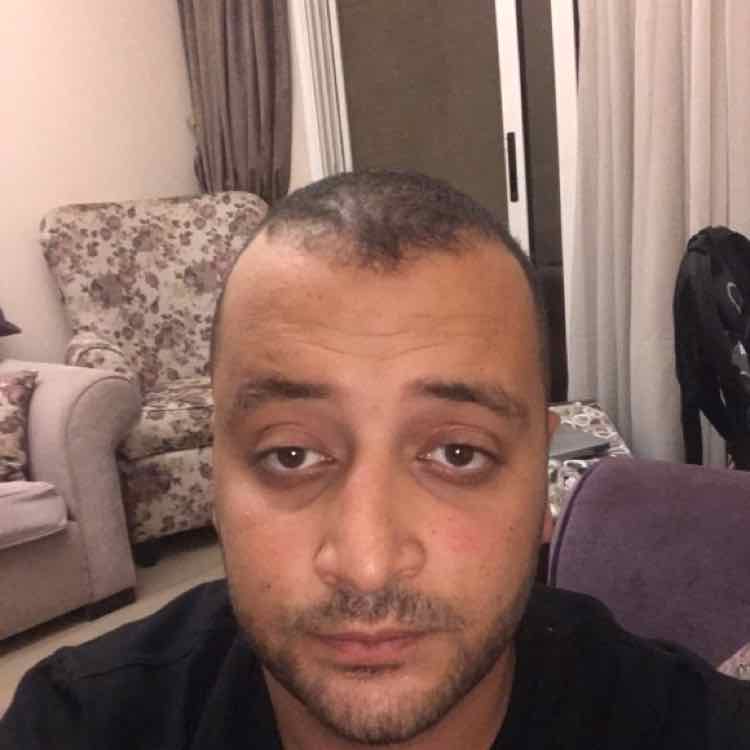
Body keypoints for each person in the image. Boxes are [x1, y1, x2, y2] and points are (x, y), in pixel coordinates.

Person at [1, 171, 747, 749]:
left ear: (542, 487)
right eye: (291, 453)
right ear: (216, 483)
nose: (366, 563)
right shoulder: (77, 725)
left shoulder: (685, 726)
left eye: (458, 453)